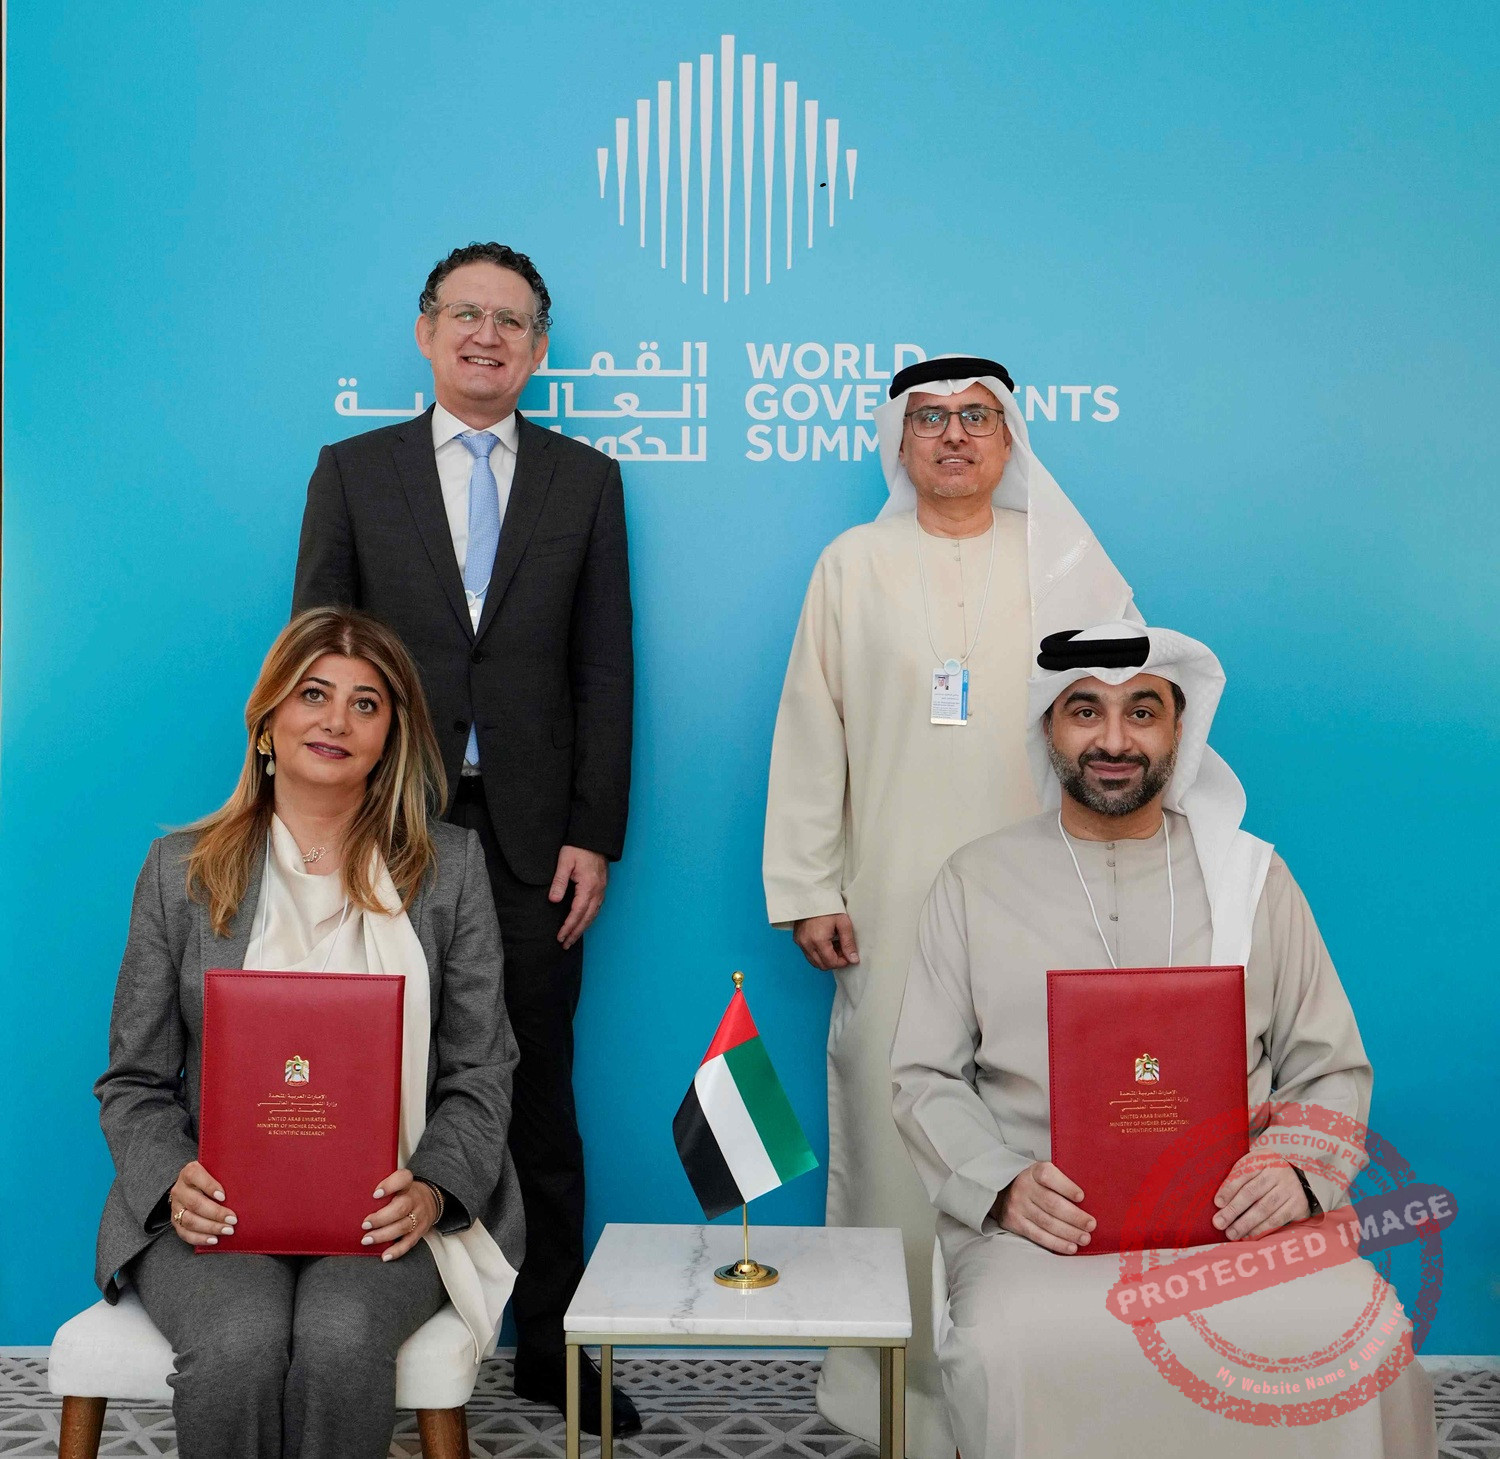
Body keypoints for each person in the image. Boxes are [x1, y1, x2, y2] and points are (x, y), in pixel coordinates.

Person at [891, 622, 1437, 1458]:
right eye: (1086, 710)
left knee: (1361, 1331)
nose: (1114, 740)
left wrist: (1297, 1172)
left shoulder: (1252, 877)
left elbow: (1330, 1065)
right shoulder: (975, 880)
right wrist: (999, 1185)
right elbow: (924, 1076)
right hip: (1047, 1228)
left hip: (1241, 1223)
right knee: (1013, 1346)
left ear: (1180, 730)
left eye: (1142, 712)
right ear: (1049, 727)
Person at [762, 356, 1138, 1456]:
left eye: (978, 416)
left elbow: (1127, 722)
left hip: (1053, 894)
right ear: (900, 441)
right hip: (889, 894)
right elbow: (812, 724)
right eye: (930, 419)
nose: (956, 435)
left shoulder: (1062, 559)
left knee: (1045, 1120)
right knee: (896, 1136)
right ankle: (902, 1398)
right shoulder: (853, 562)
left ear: (1011, 437)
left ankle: (1044, 1387)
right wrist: (809, 886)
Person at [291, 243, 636, 1430]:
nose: (488, 334)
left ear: (538, 349)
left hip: (536, 843)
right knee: (377, 1083)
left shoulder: (586, 481)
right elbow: (315, 655)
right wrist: (327, 822)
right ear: (427, 331)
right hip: (389, 826)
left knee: (537, 1094)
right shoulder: (355, 471)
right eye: (466, 314)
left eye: (513, 320)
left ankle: (552, 1349)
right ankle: (360, 1337)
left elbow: (604, 668)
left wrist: (594, 832)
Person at [93, 608, 524, 1459]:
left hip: (390, 1208)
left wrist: (433, 1189)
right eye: (314, 694)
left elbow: (481, 1070)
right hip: (210, 1210)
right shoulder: (179, 873)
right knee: (240, 1338)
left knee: (338, 1336)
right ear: (267, 722)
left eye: (367, 704)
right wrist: (174, 1180)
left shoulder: (450, 871)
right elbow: (133, 1079)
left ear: (391, 736)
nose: (337, 720)